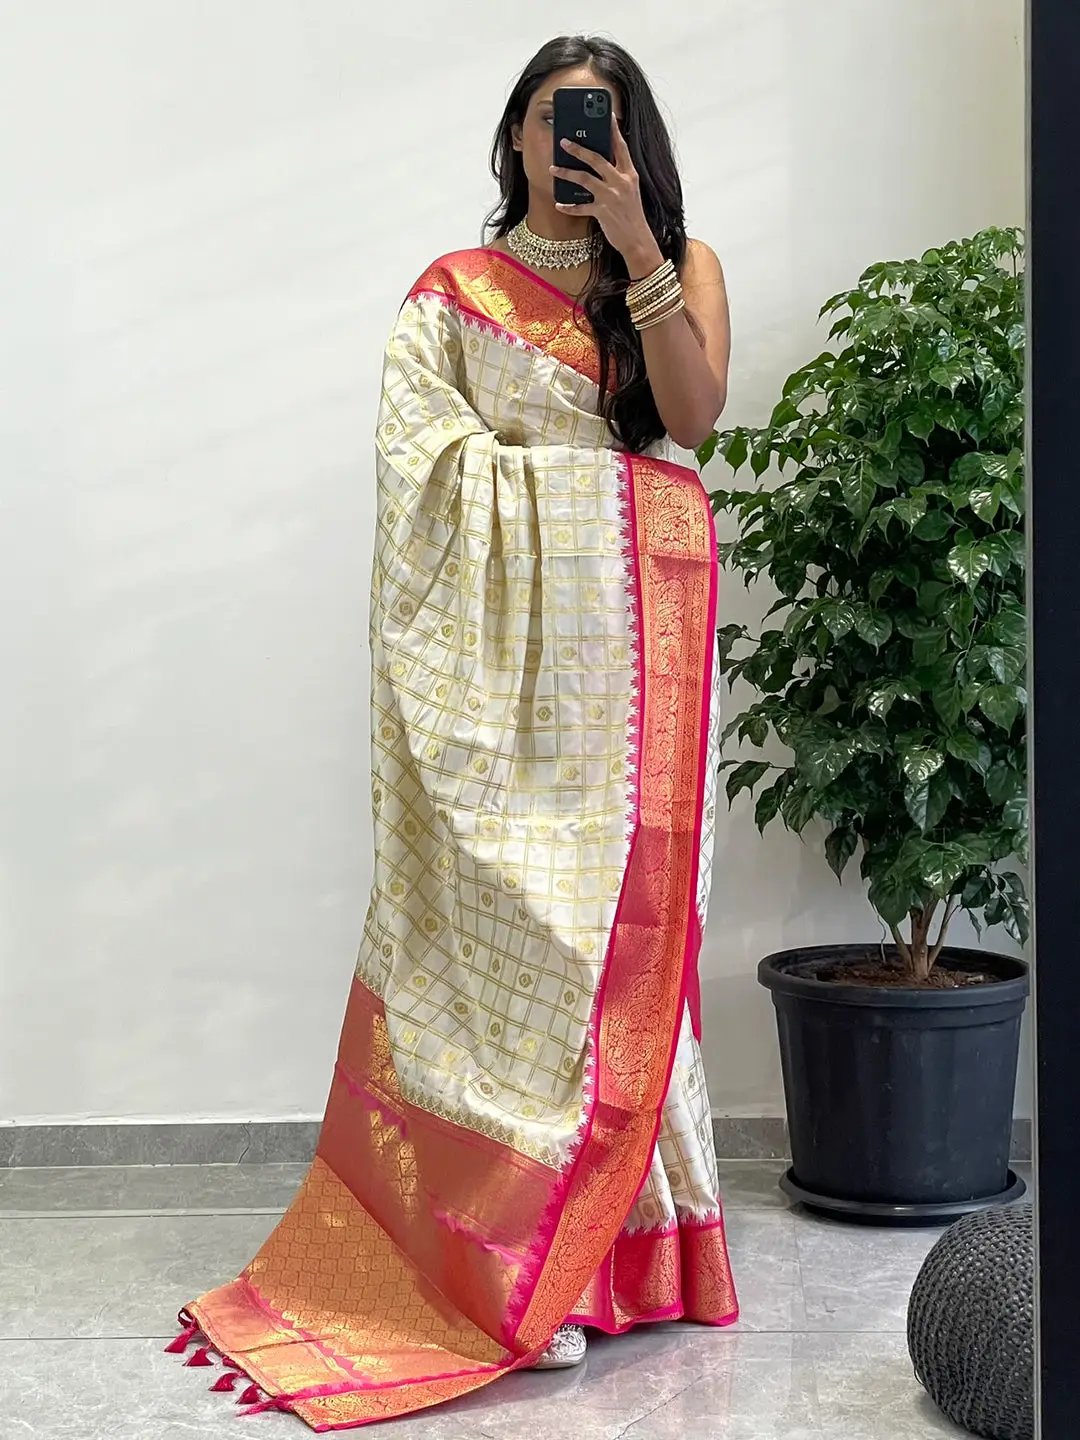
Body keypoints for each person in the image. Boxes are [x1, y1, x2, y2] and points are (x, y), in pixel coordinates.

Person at [167, 34, 737, 1430]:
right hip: (497, 708)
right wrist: (561, 494)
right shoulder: (452, 298)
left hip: (629, 695)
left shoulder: (680, 262)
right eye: (551, 118)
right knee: (511, 961)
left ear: (632, 136)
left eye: (592, 119)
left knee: (623, 959)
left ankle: (612, 1263)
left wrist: (637, 245)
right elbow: (421, 480)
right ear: (513, 140)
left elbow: (697, 427)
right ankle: (503, 1271)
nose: (569, 139)